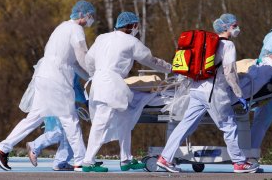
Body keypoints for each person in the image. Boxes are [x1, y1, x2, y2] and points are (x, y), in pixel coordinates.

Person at [0, 0, 95, 171]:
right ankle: (81, 161)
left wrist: (91, 76)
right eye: (90, 15)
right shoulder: (76, 29)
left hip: (43, 76)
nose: (92, 19)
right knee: (71, 120)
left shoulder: (61, 27)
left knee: (34, 118)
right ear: (82, 15)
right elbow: (82, 54)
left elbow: (74, 63)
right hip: (57, 80)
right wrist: (94, 71)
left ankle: (1, 148)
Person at [156, 13, 259, 173]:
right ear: (226, 27)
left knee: (185, 125)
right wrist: (239, 94)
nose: (237, 28)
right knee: (229, 126)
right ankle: (239, 163)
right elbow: (229, 73)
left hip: (197, 89)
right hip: (214, 93)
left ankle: (165, 158)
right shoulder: (228, 46)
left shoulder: (207, 44)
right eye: (234, 26)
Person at [82, 12, 172, 172]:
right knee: (101, 121)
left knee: (124, 119)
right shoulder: (131, 41)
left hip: (99, 81)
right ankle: (88, 162)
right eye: (137, 25)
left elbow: (89, 60)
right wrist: (170, 68)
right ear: (132, 26)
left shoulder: (102, 38)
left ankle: (126, 159)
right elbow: (150, 60)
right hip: (111, 83)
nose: (137, 28)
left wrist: (94, 74)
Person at [26, 74, 87, 171]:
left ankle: (60, 162)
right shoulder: (70, 66)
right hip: (61, 103)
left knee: (66, 135)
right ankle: (35, 145)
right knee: (63, 132)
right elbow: (74, 86)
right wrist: (85, 99)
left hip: (57, 101)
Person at [249, 14, 272, 164]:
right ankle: (250, 156)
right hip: (271, 85)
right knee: (261, 121)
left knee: (261, 121)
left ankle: (250, 156)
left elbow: (263, 59)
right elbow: (266, 59)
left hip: (270, 85)